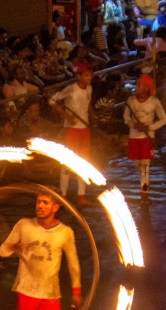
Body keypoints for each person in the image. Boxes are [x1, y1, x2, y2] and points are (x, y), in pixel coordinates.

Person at [48, 63, 96, 205]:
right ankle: (63, 195)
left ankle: (81, 196)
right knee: (68, 162)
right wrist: (65, 115)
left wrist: (93, 117)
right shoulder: (71, 89)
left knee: (83, 162)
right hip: (71, 130)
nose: (89, 78)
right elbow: (52, 100)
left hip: (84, 129)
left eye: (90, 75)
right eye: (86, 75)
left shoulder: (89, 89)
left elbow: (88, 105)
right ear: (78, 76)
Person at [123, 75, 166, 195]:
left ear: (147, 87)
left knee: (145, 163)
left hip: (148, 137)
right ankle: (145, 180)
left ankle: (144, 187)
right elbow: (126, 116)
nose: (136, 87)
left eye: (140, 84)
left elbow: (164, 119)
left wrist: (149, 127)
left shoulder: (154, 101)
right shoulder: (131, 100)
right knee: (137, 163)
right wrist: (133, 125)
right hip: (134, 136)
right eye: (137, 84)